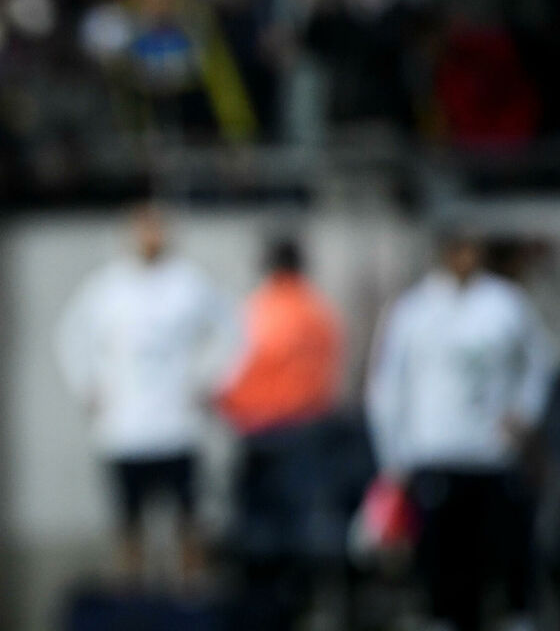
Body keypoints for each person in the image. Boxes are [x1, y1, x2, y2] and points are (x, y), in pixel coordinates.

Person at [366, 231, 557, 631]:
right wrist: (393, 459)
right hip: (435, 452)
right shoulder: (414, 309)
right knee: (445, 568)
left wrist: (524, 414)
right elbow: (387, 387)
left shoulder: (505, 304)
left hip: (492, 455)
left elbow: (539, 364)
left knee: (503, 559)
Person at [55, 203, 233, 588]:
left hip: (176, 429)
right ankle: (131, 598)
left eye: (157, 229)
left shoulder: (189, 283)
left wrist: (207, 381)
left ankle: (190, 596)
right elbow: (71, 336)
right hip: (125, 431)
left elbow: (231, 333)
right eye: (143, 229)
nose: (150, 238)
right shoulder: (107, 287)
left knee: (188, 522)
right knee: (128, 526)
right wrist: (88, 386)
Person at [214, 237, 346, 631]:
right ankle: (302, 610)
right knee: (302, 534)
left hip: (261, 436)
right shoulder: (320, 312)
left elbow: (230, 374)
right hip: (309, 432)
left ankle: (263, 614)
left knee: (258, 537)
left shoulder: (256, 310)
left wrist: (230, 407)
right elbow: (329, 373)